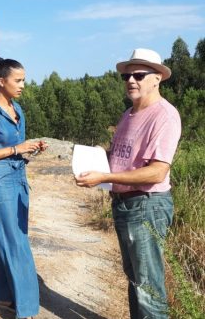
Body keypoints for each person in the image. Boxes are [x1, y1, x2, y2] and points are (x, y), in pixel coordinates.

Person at [75, 48, 181, 319]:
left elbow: (156, 173)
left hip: (146, 207)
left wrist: (105, 177)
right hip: (125, 205)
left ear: (157, 78)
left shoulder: (164, 116)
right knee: (135, 281)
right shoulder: (128, 114)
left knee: (149, 291)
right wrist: (97, 160)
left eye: (139, 75)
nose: (131, 80)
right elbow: (121, 158)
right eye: (126, 76)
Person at [0, 57, 46, 318]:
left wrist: (31, 149)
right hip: (0, 181)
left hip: (19, 178)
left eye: (24, 79)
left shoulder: (18, 110)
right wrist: (16, 148)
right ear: (1, 82)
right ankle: (26, 310)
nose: (23, 85)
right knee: (16, 243)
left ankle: (2, 296)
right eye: (18, 80)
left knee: (13, 238)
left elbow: (19, 150)